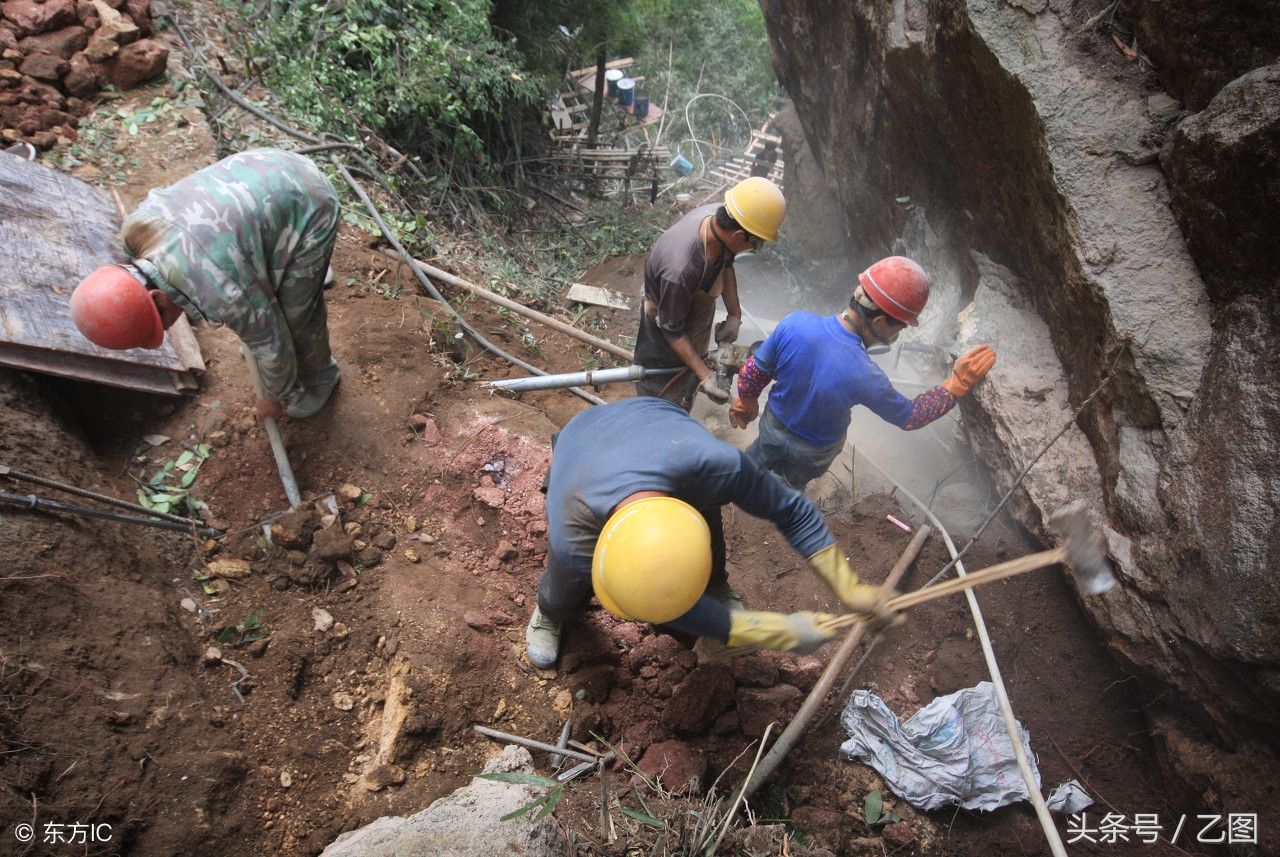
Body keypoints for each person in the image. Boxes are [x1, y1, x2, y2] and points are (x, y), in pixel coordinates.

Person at [523, 396, 899, 669]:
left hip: (656, 420)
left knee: (704, 501)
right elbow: (672, 607)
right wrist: (773, 630)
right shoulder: (575, 535)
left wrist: (848, 587)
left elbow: (793, 510)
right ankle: (550, 611)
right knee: (567, 579)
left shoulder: (717, 466)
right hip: (584, 438)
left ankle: (715, 584)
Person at [68, 148, 341, 420]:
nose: (166, 327)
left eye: (160, 323)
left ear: (157, 298)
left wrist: (272, 397)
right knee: (266, 303)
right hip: (262, 168)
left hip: (309, 199)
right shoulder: (137, 228)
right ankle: (298, 270)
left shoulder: (223, 292)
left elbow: (273, 347)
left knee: (296, 319)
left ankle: (322, 378)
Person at [728, 256, 997, 490]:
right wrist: (957, 383)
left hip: (773, 428)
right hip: (813, 451)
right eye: (899, 328)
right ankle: (784, 503)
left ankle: (743, 483)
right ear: (880, 322)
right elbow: (909, 416)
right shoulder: (866, 374)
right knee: (791, 485)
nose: (896, 334)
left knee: (757, 458)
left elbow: (754, 369)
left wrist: (747, 399)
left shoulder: (794, 323)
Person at [633, 176, 785, 412]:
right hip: (666, 323)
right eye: (755, 243)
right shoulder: (680, 268)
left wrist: (735, 315)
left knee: (689, 377)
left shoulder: (724, 219)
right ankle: (654, 417)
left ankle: (686, 396)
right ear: (738, 236)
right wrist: (706, 376)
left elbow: (727, 264)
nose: (755, 249)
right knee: (662, 386)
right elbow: (672, 329)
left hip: (692, 307)